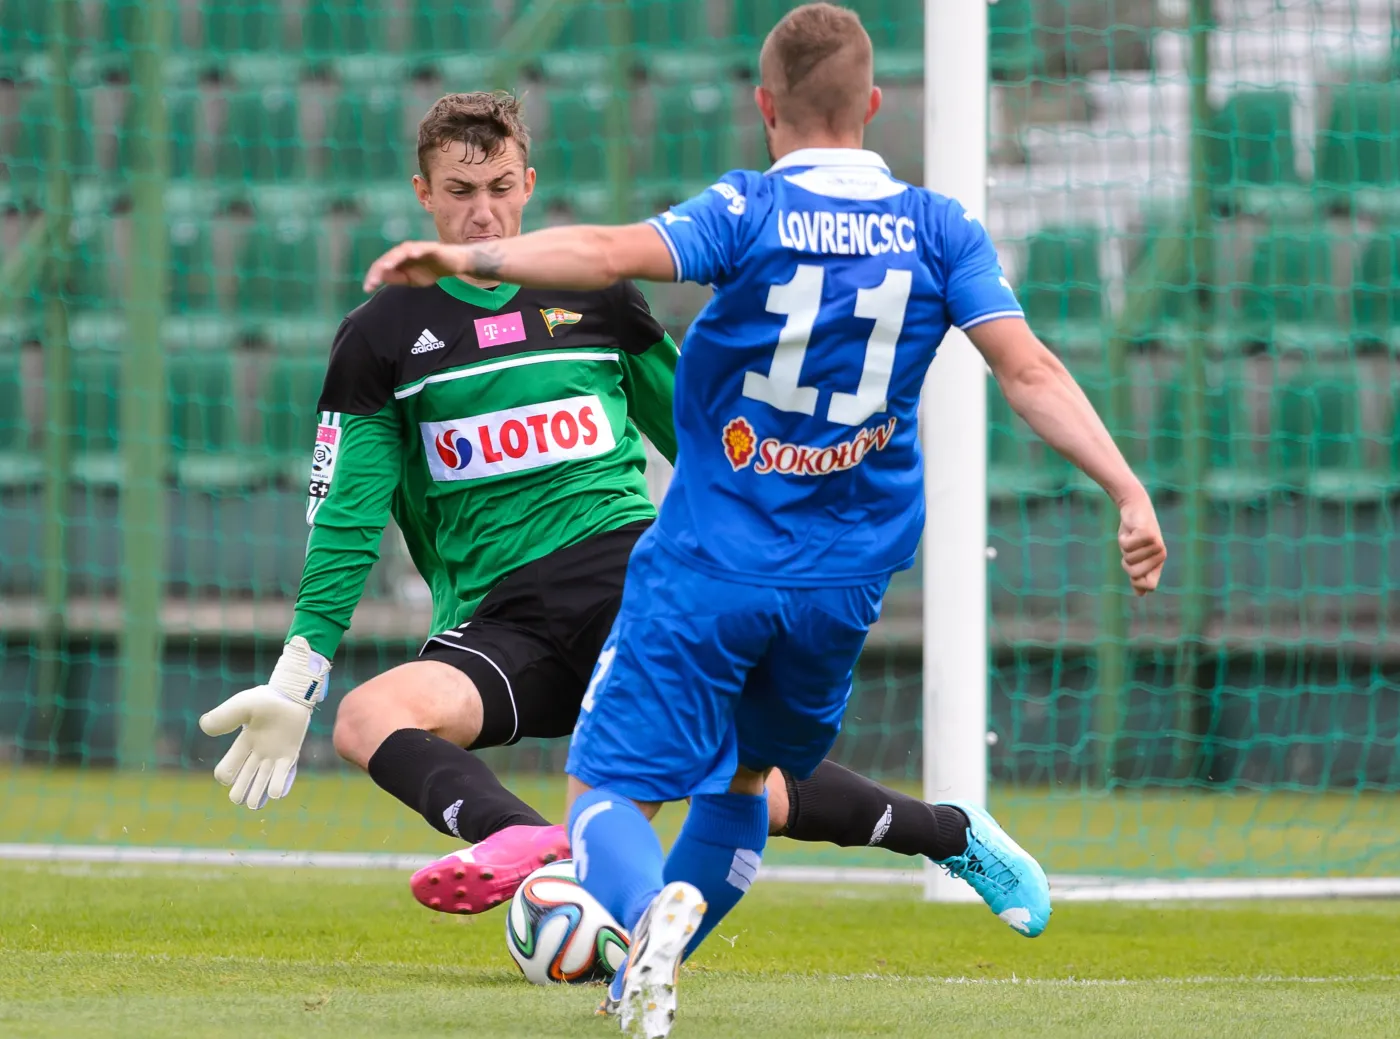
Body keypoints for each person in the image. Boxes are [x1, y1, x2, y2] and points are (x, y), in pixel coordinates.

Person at [363, 4, 1168, 1035]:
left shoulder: (744, 211)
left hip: (711, 558)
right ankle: (644, 973)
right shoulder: (937, 228)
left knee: (605, 781)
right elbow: (1029, 369)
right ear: (873, 105)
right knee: (745, 775)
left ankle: (648, 917)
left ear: (762, 108)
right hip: (842, 579)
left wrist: (472, 262)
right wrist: (1125, 489)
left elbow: (611, 250)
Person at [197, 90, 999, 920]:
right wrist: (299, 677)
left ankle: (953, 834)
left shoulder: (599, 300)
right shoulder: (380, 336)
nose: (483, 212)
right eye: (461, 192)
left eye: (500, 187)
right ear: (423, 195)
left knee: (739, 777)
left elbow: (706, 436)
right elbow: (349, 517)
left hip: (629, 581)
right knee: (367, 717)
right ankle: (533, 843)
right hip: (501, 617)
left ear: (529, 183)